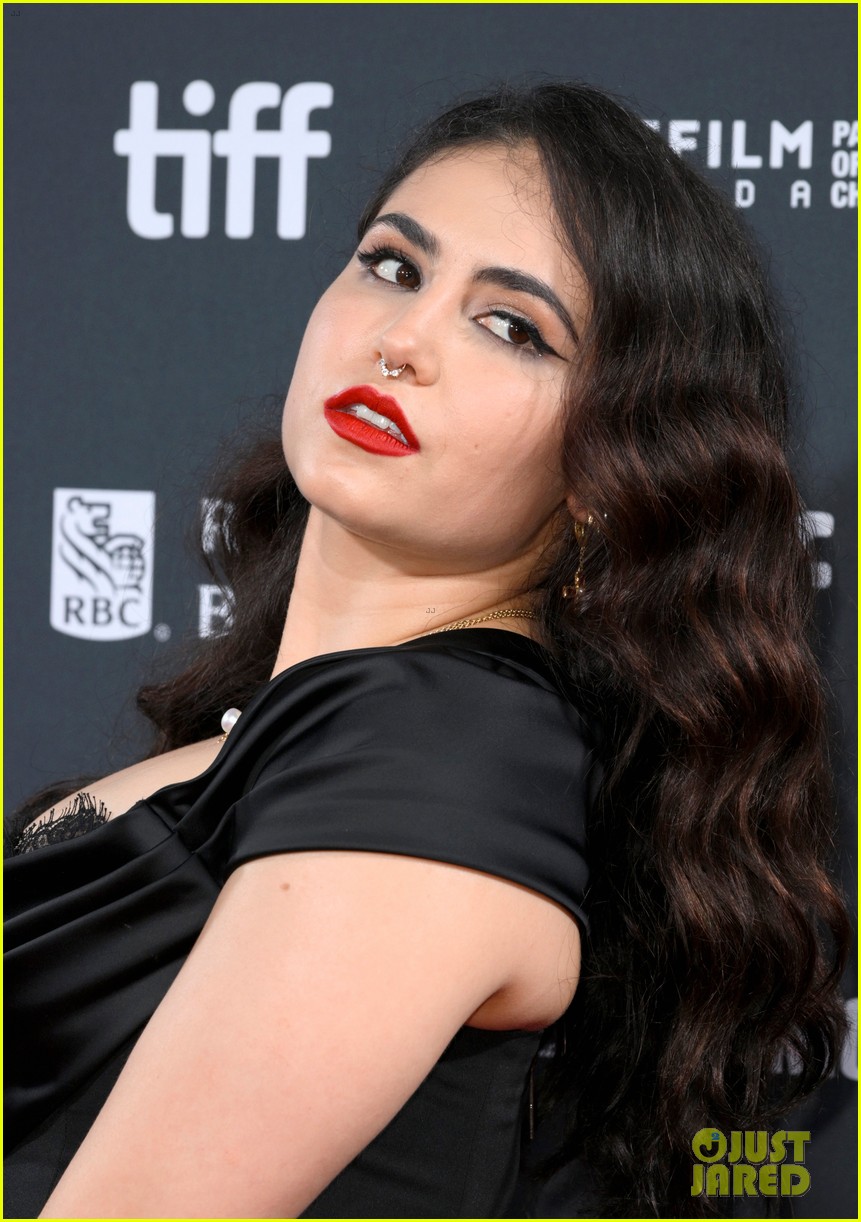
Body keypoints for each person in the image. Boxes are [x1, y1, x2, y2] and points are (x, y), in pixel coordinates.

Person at [4, 82, 851, 1219]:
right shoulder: (324, 729)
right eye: (393, 266)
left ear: (613, 468)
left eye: (513, 328)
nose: (401, 340)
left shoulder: (443, 743)